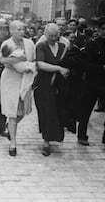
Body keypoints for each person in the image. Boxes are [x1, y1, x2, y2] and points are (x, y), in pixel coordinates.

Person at [78, 16, 105, 149]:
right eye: (102, 29)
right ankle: (82, 136)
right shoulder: (91, 44)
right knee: (85, 110)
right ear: (98, 29)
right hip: (92, 82)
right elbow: (84, 64)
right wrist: (102, 67)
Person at [0, 20, 35, 156]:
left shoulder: (30, 43)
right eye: (18, 29)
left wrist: (29, 67)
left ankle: (10, 127)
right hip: (10, 79)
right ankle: (13, 144)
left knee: (22, 111)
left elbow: (32, 60)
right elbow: (3, 60)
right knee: (12, 111)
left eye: (23, 29)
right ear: (11, 31)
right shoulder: (7, 44)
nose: (22, 32)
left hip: (25, 79)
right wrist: (19, 60)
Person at [34, 24, 69, 156]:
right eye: (50, 36)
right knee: (46, 112)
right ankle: (46, 142)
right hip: (44, 84)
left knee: (58, 111)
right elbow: (40, 64)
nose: (53, 38)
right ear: (45, 34)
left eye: (56, 36)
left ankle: (55, 136)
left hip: (59, 84)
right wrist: (58, 69)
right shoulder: (41, 46)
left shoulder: (63, 47)